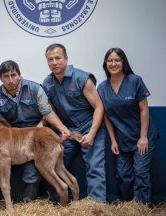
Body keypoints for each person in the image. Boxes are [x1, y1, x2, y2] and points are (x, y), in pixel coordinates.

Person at [0, 60, 70, 202]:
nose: (10, 80)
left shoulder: (35, 89)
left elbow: (48, 112)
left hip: (33, 138)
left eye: (13, 75)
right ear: (1, 78)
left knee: (33, 171)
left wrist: (60, 128)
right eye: (6, 76)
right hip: (11, 140)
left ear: (19, 75)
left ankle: (28, 204)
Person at [42, 43, 106, 202]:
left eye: (58, 58)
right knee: (54, 163)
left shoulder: (81, 78)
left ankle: (96, 206)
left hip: (90, 127)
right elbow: (50, 111)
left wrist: (91, 134)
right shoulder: (47, 82)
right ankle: (58, 202)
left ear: (66, 59)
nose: (54, 62)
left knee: (95, 168)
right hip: (67, 131)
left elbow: (99, 107)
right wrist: (63, 130)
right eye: (50, 59)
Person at [97, 47, 159, 203]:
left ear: (123, 62)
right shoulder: (102, 88)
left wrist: (143, 137)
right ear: (105, 64)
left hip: (142, 136)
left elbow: (144, 110)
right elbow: (107, 117)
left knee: (140, 173)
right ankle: (127, 207)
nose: (113, 63)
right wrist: (113, 140)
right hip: (122, 139)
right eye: (110, 60)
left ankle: (142, 208)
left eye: (117, 60)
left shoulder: (135, 80)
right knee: (123, 175)